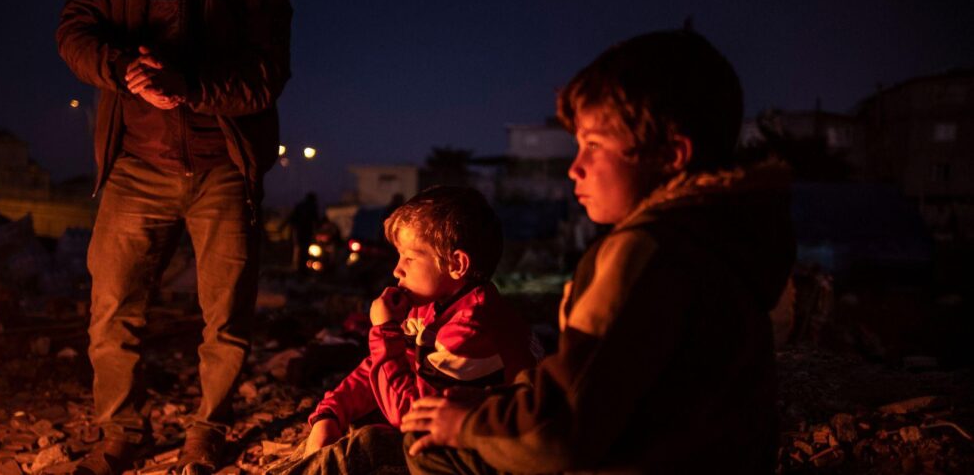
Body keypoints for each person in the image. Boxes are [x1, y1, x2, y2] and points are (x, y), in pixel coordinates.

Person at [400, 30, 795, 474]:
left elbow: (562, 430)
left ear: (671, 155)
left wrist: (467, 423)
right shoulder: (723, 236)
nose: (575, 168)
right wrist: (498, 403)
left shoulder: (642, 251)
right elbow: (607, 386)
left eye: (593, 145)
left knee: (430, 447)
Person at [55, 0, 291, 473]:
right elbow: (74, 34)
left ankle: (208, 430)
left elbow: (267, 75)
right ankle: (121, 432)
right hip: (136, 167)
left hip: (224, 168)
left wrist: (190, 87)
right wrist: (125, 72)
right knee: (113, 309)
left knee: (225, 314)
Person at [270, 186, 539, 474]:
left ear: (457, 264)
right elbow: (381, 368)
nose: (397, 270)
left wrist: (385, 329)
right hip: (450, 432)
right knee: (344, 429)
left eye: (409, 258)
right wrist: (331, 413)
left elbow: (410, 416)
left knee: (365, 444)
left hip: (495, 454)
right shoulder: (434, 304)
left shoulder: (474, 325)